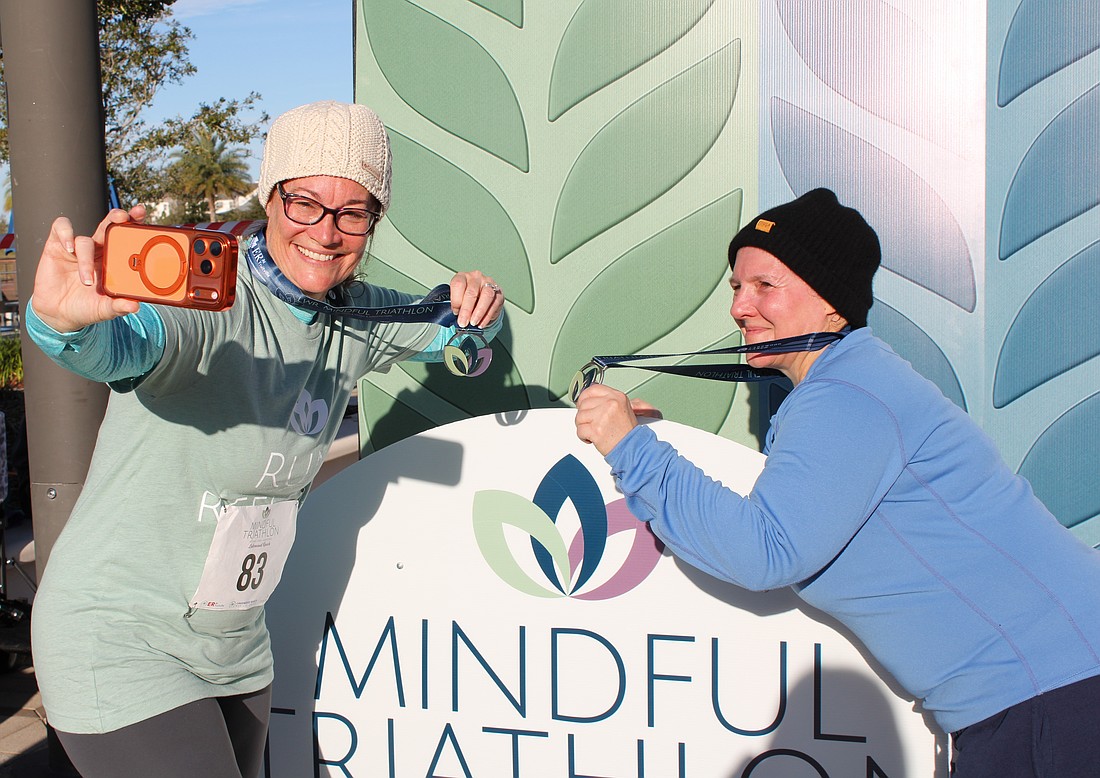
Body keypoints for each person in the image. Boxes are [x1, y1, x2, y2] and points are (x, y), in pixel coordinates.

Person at [27, 100, 505, 778]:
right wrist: (61, 324)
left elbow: (459, 335)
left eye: (353, 212)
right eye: (304, 203)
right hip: (119, 637)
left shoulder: (357, 318)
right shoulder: (212, 299)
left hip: (238, 649)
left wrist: (481, 305)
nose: (326, 232)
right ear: (270, 197)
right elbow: (122, 347)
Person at [573, 188, 1100, 777]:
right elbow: (768, 527)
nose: (740, 306)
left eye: (765, 285)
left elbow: (765, 551)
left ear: (831, 302)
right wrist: (647, 449)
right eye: (737, 287)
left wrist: (634, 450)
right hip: (1034, 698)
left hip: (1056, 697)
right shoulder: (846, 387)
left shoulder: (847, 394)